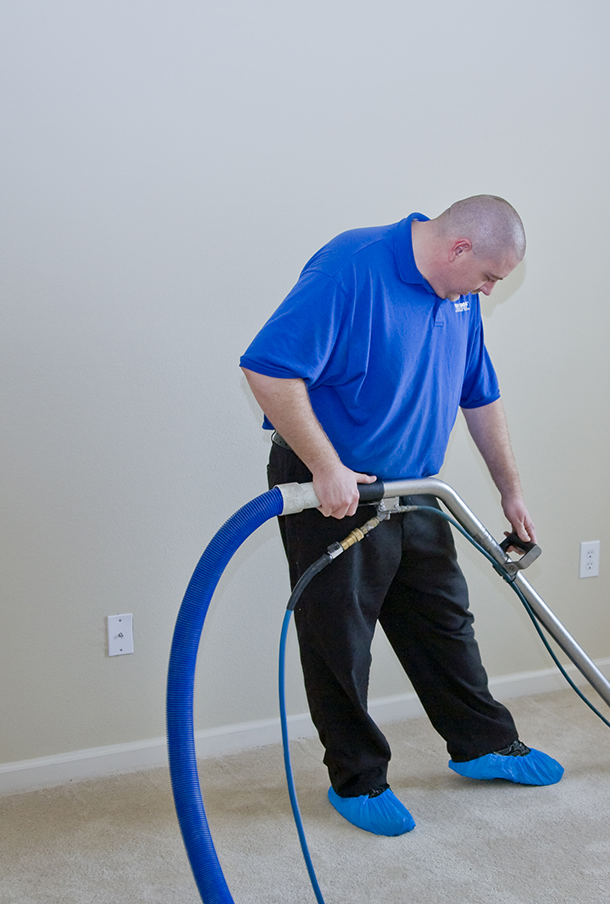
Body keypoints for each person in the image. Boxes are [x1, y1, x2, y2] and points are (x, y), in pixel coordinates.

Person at [239, 195, 563, 837]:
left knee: (443, 619)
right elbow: (268, 369)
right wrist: (327, 468)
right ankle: (357, 779)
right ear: (458, 249)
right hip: (334, 485)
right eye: (489, 277)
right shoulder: (352, 266)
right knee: (340, 637)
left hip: (417, 488)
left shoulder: (457, 295)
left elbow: (479, 393)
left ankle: (482, 744)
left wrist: (511, 491)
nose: (490, 290)